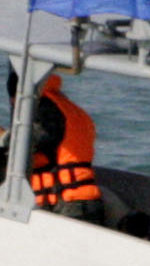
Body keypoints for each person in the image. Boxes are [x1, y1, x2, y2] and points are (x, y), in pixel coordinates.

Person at [22, 73, 102, 215]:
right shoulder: (68, 107)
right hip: (85, 199)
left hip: (66, 204)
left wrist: (2, 135)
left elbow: (26, 143)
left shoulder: (45, 107)